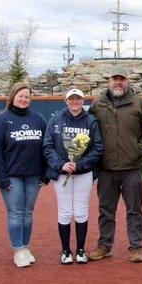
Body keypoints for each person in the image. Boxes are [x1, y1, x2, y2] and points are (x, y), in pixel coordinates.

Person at [88, 66, 142, 263]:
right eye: (114, 79)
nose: (118, 82)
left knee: (134, 210)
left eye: (122, 79)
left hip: (132, 167)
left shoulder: (139, 103)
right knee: (105, 210)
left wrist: (138, 150)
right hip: (106, 168)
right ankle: (104, 245)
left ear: (128, 81)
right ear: (109, 81)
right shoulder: (98, 103)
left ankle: (136, 247)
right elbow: (88, 129)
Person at [0, 83, 48, 268]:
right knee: (15, 212)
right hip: (12, 175)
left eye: (27, 96)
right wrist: (2, 178)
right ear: (13, 96)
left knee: (28, 213)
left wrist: (46, 173)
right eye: (20, 96)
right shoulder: (2, 120)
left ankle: (25, 247)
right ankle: (18, 249)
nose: (23, 99)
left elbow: (47, 146)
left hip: (33, 175)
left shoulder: (38, 119)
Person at [43, 88, 104, 265]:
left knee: (81, 210)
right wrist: (61, 165)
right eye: (72, 98)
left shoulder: (91, 120)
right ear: (66, 101)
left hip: (83, 173)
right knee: (64, 211)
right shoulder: (56, 119)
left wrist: (80, 164)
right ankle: (65, 251)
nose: (75, 101)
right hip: (62, 173)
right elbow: (47, 146)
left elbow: (98, 148)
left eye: (78, 99)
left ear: (82, 101)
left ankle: (80, 250)